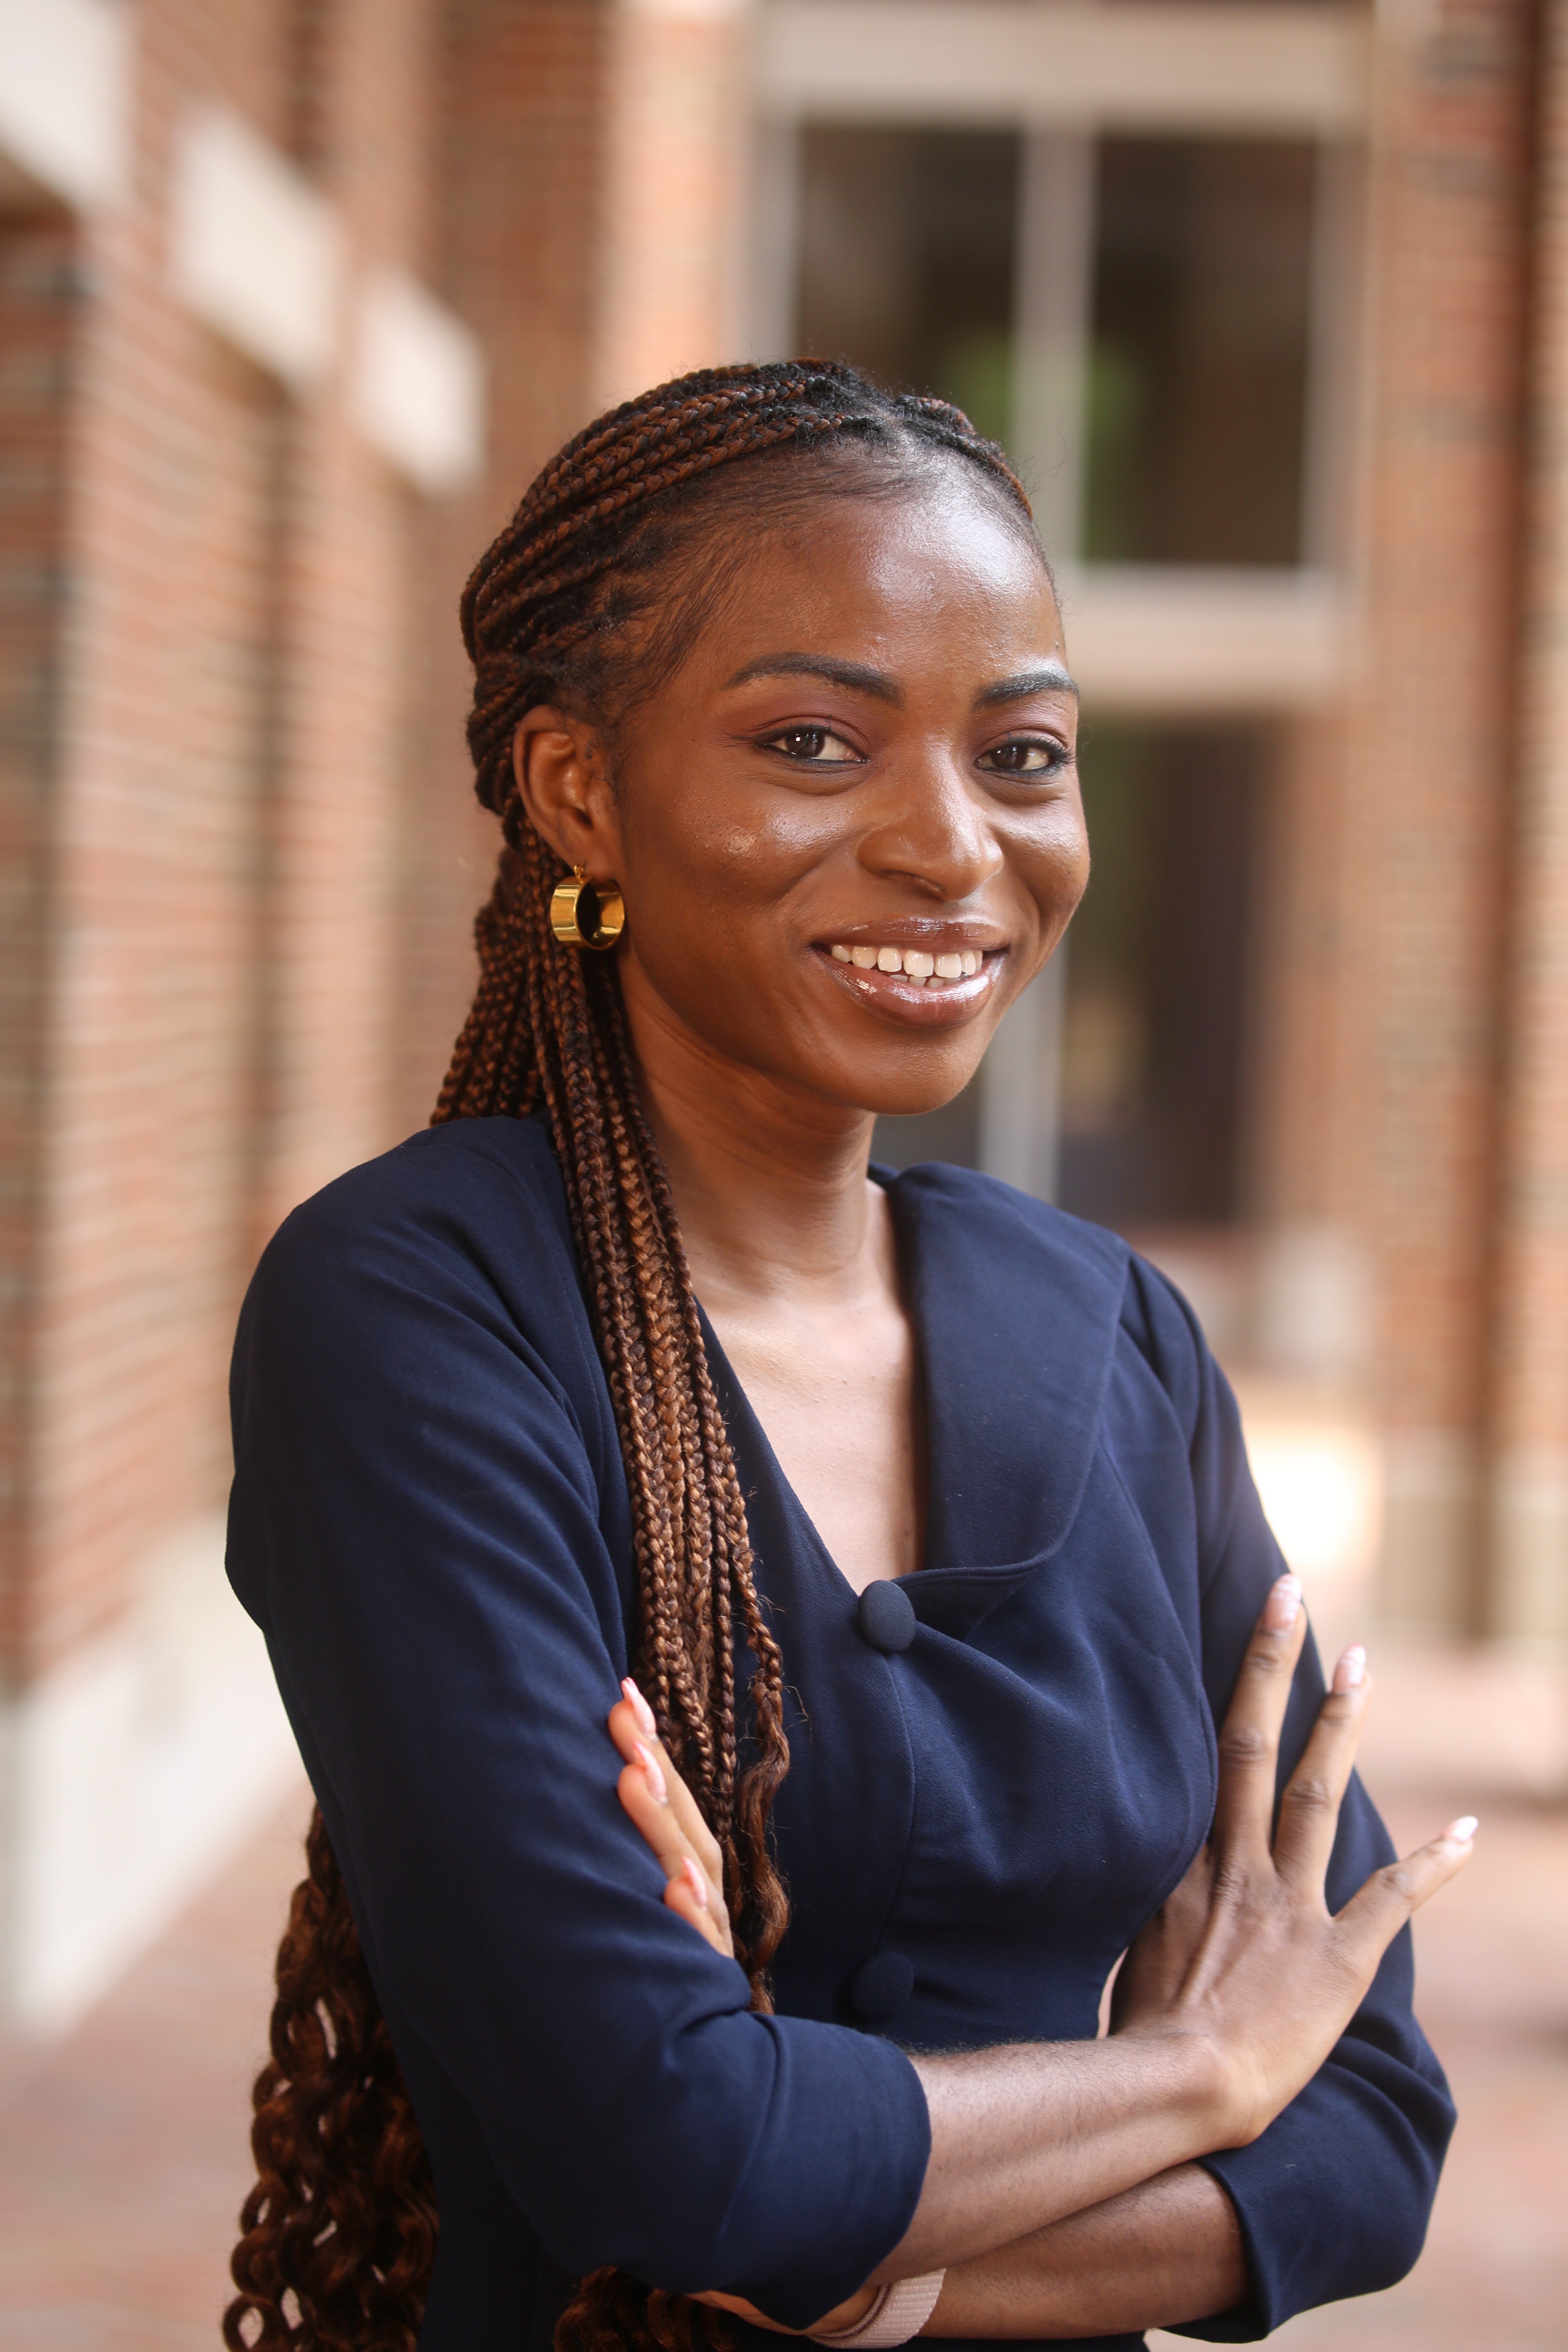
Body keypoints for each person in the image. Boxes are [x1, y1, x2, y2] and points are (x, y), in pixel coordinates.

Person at [222, 363, 1470, 2352]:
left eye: (1025, 755)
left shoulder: (1112, 1333)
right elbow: (668, 2147)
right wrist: (1199, 2078)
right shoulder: (418, 1313)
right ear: (577, 789)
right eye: (816, 741)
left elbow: (1377, 2136)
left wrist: (859, 2259)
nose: (952, 846)